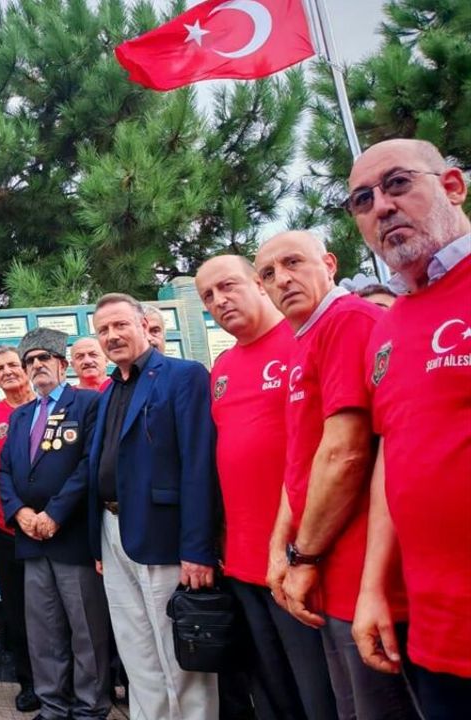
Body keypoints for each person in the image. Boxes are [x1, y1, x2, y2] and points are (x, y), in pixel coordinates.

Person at [254, 231, 418, 720]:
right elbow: (302, 458)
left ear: (329, 264)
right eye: (268, 273)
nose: (282, 279)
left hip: (362, 569)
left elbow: (345, 454)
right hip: (328, 568)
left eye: (293, 263)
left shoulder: (348, 321)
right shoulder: (306, 337)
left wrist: (303, 555)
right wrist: (282, 549)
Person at [347, 139, 471, 719]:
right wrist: (374, 588)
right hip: (435, 632)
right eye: (362, 199)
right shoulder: (388, 328)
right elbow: (394, 458)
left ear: (452, 186)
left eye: (397, 183)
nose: (381, 206)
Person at [195, 256, 338, 720]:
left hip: (302, 561)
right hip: (241, 563)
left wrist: (302, 551)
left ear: (260, 283)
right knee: (271, 695)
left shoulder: (303, 342)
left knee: (319, 697)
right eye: (208, 296)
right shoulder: (222, 368)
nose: (219, 301)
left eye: (228, 286)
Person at [86, 293, 218, 720]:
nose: (112, 335)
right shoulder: (109, 391)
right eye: (103, 330)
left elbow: (198, 465)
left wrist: (197, 548)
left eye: (120, 325)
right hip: (112, 531)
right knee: (137, 651)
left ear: (144, 325)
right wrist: (98, 544)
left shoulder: (183, 376)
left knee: (178, 654)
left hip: (164, 535)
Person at [0, 327, 110, 720]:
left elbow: (89, 465)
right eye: (30, 361)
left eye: (44, 358)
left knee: (85, 629)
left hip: (71, 535)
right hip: (31, 538)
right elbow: (5, 472)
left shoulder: (88, 403)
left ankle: (90, 706)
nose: (36, 366)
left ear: (62, 364)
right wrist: (20, 513)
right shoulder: (21, 415)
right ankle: (52, 704)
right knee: (43, 630)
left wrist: (54, 514)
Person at [0, 344, 38, 712]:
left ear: (27, 367)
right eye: (0, 368)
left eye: (13, 365)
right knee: (17, 612)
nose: (8, 372)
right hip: (8, 531)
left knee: (57, 611)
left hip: (52, 531)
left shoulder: (50, 407)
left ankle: (66, 681)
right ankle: (29, 682)